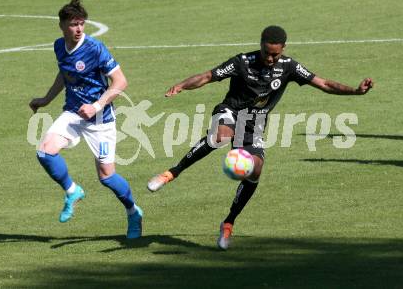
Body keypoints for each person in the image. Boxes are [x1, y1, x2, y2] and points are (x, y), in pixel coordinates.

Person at [148, 25, 373, 249]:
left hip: (254, 125)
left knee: (256, 169)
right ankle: (172, 172)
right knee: (222, 136)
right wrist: (181, 86)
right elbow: (208, 76)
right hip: (230, 111)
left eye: (275, 54)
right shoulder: (242, 62)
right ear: (260, 46)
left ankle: (228, 223)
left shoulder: (289, 66)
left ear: (283, 48)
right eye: (267, 53)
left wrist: (355, 91)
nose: (270, 58)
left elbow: (323, 83)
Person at [29, 0, 143, 239]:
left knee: (107, 177)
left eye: (81, 23)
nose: (79, 28)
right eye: (73, 24)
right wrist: (46, 99)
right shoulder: (59, 46)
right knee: (45, 151)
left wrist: (96, 105)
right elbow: (65, 73)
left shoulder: (95, 48)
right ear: (62, 26)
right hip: (72, 113)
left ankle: (133, 212)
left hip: (100, 119)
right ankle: (72, 191)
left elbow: (121, 82)